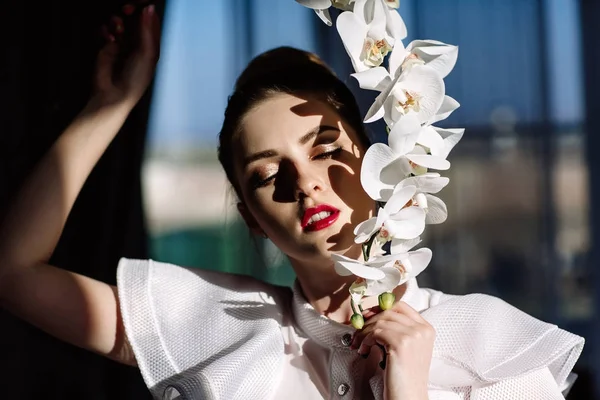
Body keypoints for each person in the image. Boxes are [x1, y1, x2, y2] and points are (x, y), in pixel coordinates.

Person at [0, 5, 584, 400]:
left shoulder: (490, 342)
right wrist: (112, 104)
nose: (303, 182)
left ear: (378, 155)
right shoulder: (212, 319)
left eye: (325, 147)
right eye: (266, 173)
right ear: (251, 218)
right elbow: (15, 273)